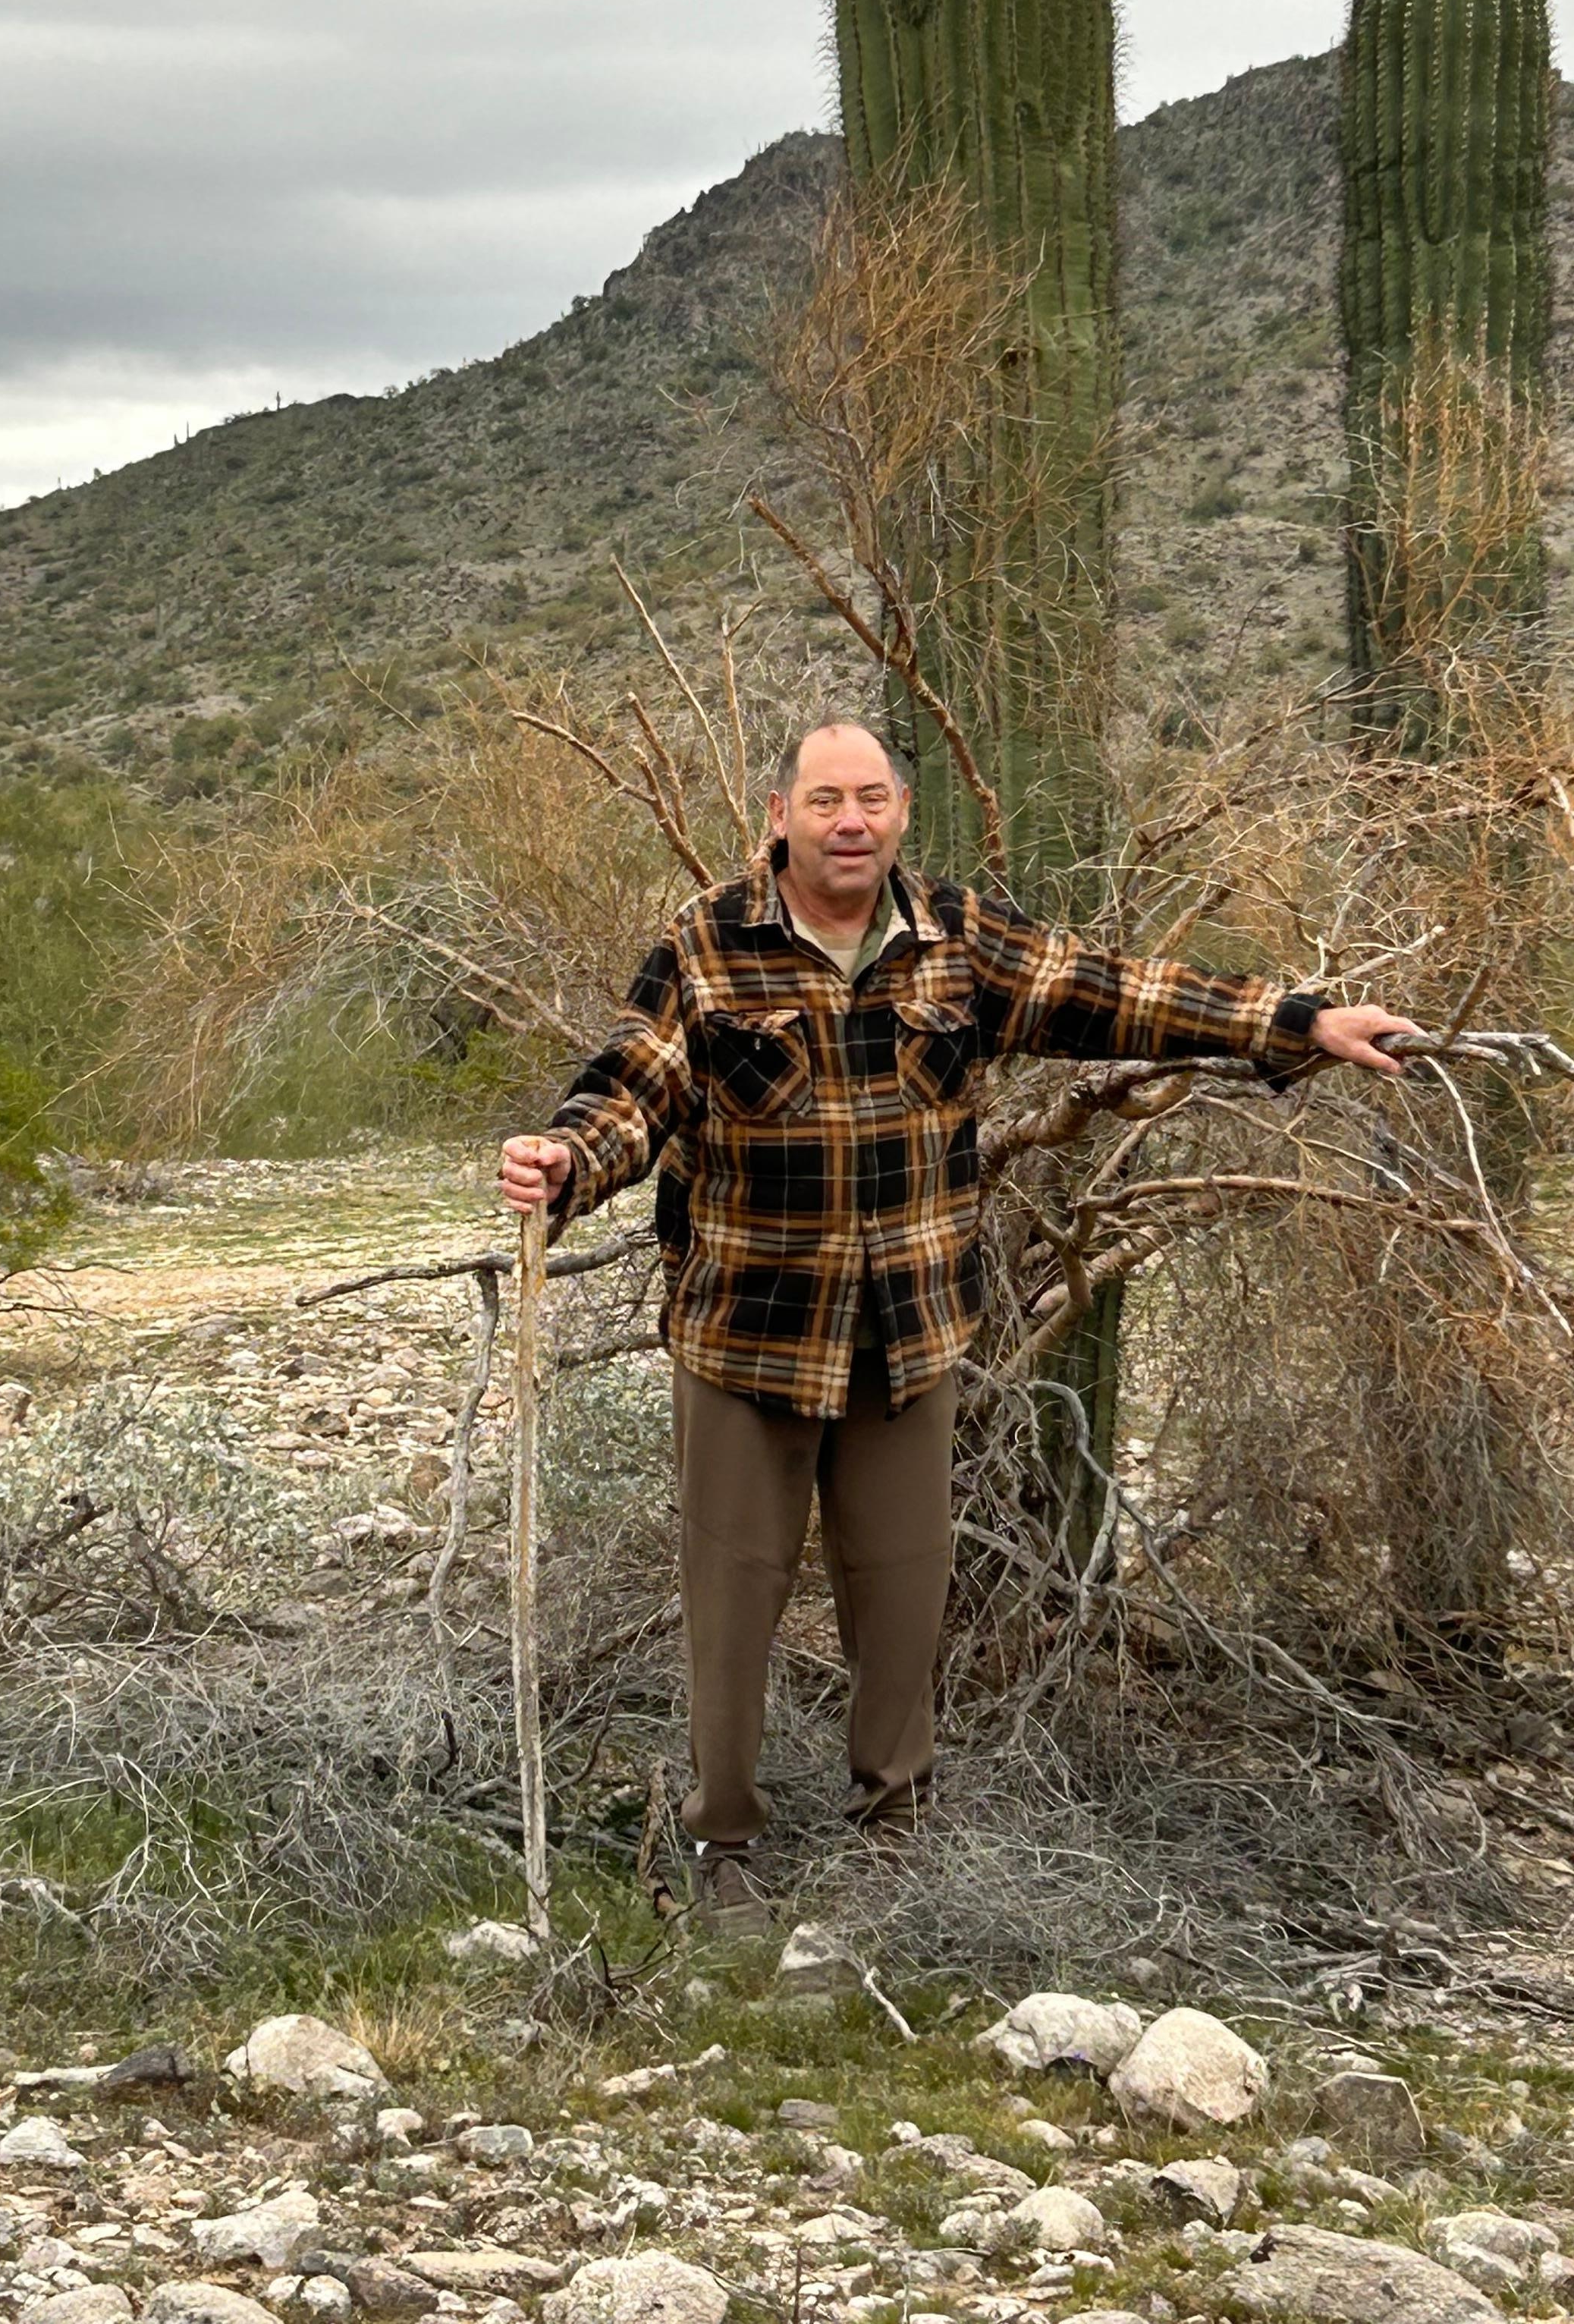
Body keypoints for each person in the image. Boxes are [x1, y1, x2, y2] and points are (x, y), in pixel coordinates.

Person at [500, 716, 1422, 1933]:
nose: (850, 822)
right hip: (749, 1337)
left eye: (873, 799)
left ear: (899, 813)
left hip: (910, 1329)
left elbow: (1114, 992)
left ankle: (894, 1833)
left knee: (902, 1591)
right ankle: (724, 1844)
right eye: (826, 800)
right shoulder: (707, 950)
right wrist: (565, 1162)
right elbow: (636, 1084)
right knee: (733, 1601)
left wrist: (1297, 1026)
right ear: (776, 815)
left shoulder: (957, 940)